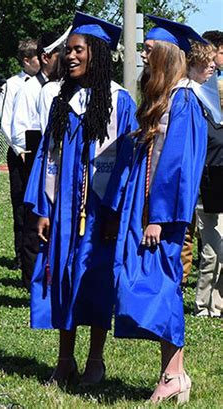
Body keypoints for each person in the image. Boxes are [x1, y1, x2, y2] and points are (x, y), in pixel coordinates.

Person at [25, 12, 137, 386]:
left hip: (100, 211)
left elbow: (128, 162)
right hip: (62, 212)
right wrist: (42, 208)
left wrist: (116, 211)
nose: (69, 56)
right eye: (68, 50)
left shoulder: (119, 103)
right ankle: (64, 359)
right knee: (63, 278)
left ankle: (95, 360)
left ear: (98, 55)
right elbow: (47, 156)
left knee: (96, 282)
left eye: (77, 50)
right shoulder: (63, 101)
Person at [104, 15, 208, 403]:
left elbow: (178, 167)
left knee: (162, 288)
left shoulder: (183, 101)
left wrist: (158, 218)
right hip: (143, 210)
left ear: (165, 54)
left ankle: (172, 374)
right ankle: (175, 374)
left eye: (148, 50)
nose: (143, 56)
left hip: (161, 214)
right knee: (148, 286)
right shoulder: (163, 99)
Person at [12, 32, 62, 290]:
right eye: (60, 54)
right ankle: (32, 278)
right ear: (45, 58)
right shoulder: (31, 88)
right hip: (33, 161)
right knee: (32, 220)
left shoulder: (61, 87)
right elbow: (19, 129)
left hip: (56, 161)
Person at [186, 41, 223, 318]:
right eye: (208, 63)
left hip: (220, 183)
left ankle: (218, 305)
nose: (213, 67)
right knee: (211, 251)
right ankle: (202, 305)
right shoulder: (194, 105)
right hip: (205, 186)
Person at [0, 39, 39, 271]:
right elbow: (6, 121)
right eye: (37, 57)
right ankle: (20, 255)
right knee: (21, 203)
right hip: (20, 153)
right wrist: (20, 149)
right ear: (26, 60)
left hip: (41, 149)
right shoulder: (11, 85)